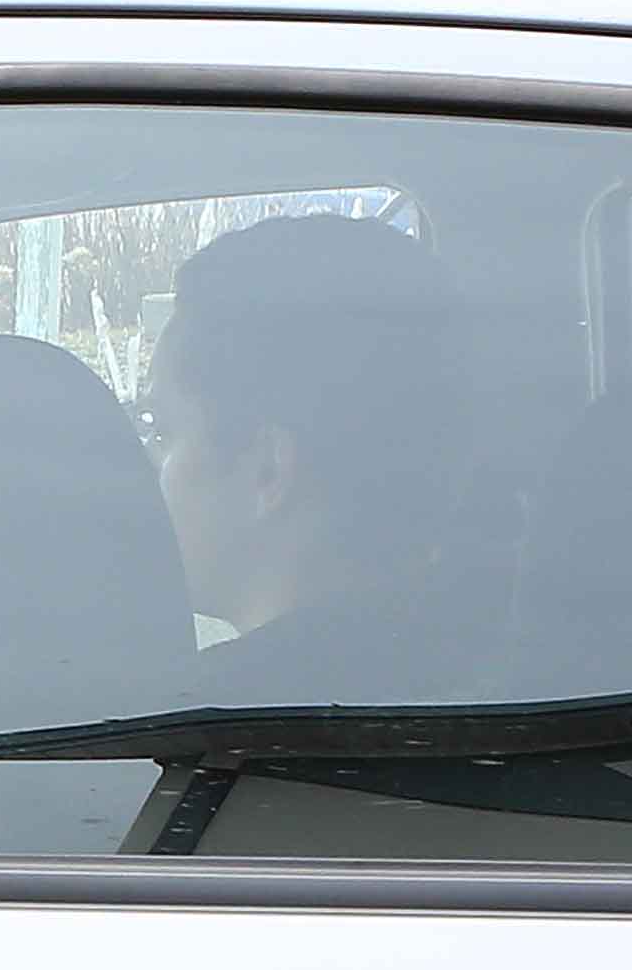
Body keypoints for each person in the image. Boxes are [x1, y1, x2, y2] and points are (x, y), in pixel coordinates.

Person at [137, 206, 492, 710]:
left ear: (268, 471)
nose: (145, 472)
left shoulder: (169, 728)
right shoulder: (528, 682)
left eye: (162, 432)